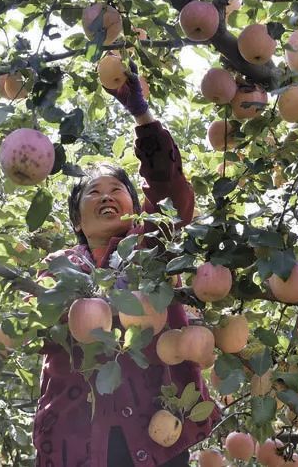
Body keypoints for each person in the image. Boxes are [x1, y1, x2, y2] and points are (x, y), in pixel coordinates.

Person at [32, 64, 219, 466]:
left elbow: (169, 186)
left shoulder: (152, 243)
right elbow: (45, 331)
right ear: (77, 221)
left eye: (117, 189)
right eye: (93, 193)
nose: (106, 197)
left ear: (135, 207)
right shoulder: (59, 266)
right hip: (76, 441)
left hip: (157, 432)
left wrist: (142, 116)